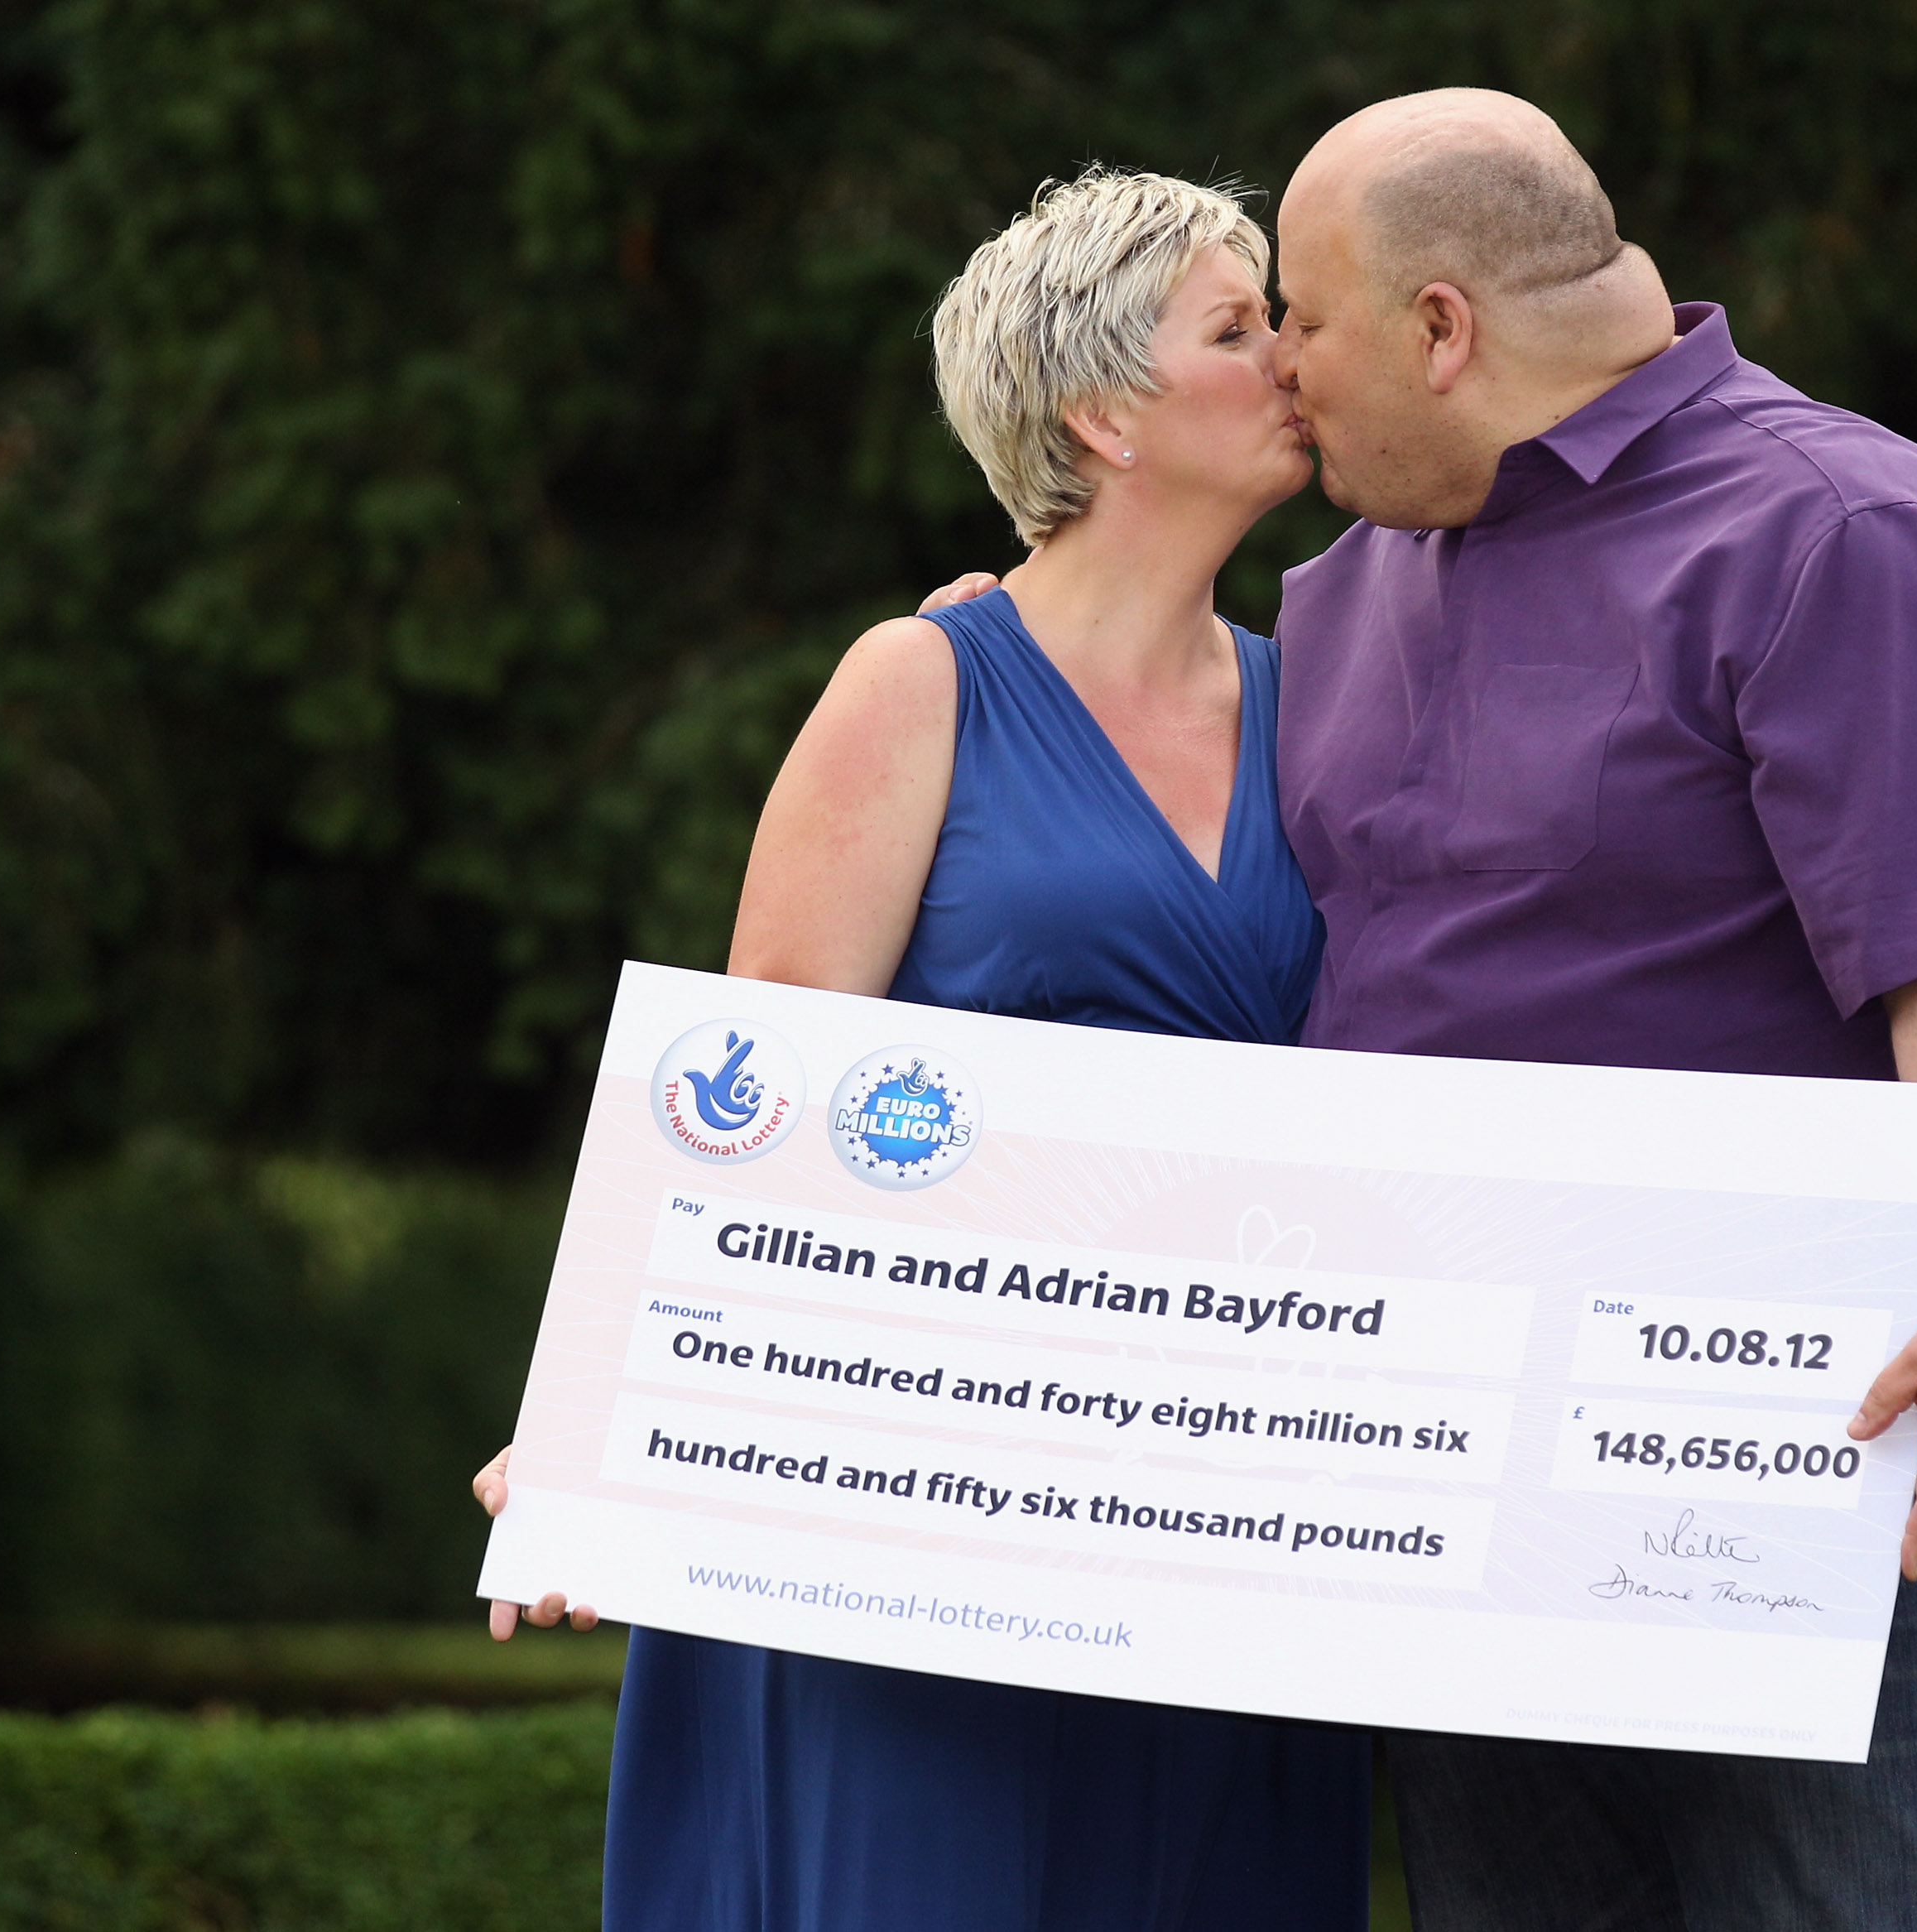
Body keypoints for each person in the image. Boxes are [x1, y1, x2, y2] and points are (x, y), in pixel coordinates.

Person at [926, 84, 1917, 1932]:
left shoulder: (1840, 539)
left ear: (1441, 328)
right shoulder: (1341, 595)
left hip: (1810, 1483)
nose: (1289, 378)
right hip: (1446, 1491)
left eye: (1295, 323)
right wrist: (988, 655)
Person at [472, 170, 1368, 1932]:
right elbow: (746, 1104)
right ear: (1102, 409)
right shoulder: (915, 683)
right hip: (911, 1528)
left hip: (1211, 1522)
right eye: (1236, 323)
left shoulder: (1322, 703)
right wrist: (602, 1414)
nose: (1292, 356)